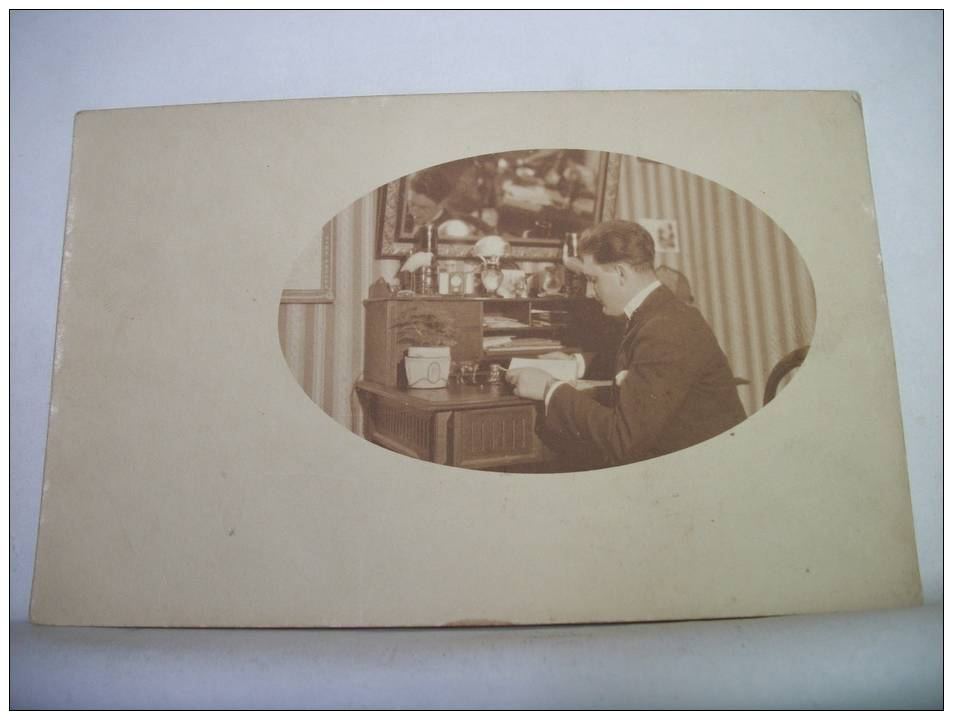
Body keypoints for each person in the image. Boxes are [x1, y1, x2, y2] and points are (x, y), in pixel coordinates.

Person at [506, 220, 747, 467]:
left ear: (621, 273)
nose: (590, 292)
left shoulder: (666, 328)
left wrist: (550, 389)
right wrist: (577, 364)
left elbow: (622, 439)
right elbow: (637, 360)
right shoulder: (658, 312)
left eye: (593, 279)